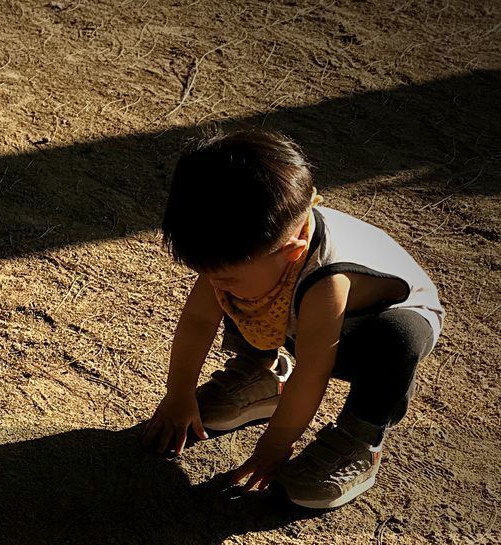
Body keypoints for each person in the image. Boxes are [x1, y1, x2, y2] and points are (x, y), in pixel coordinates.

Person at [141, 129, 444, 509]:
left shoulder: (327, 280)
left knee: (399, 337)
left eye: (225, 274)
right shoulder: (242, 252)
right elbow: (199, 321)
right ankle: (260, 373)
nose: (214, 283)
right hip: (295, 315)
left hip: (366, 329)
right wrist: (178, 393)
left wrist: (276, 443)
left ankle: (360, 439)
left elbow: (313, 370)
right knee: (245, 292)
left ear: (291, 251)